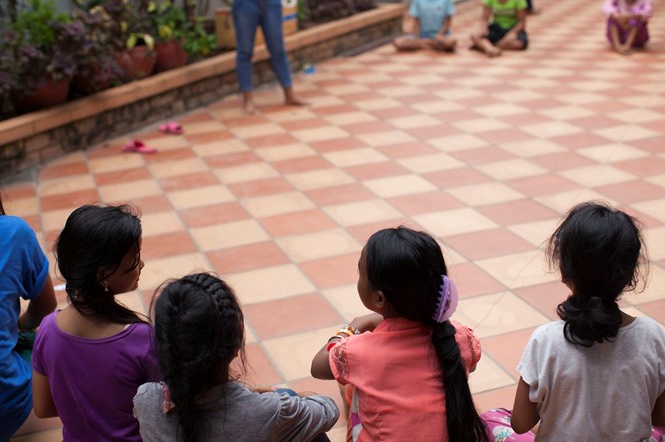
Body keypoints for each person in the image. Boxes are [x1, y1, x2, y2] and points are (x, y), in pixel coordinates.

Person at [311, 226, 488, 441]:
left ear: (379, 299)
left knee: (348, 383)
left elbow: (318, 366)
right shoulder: (457, 335)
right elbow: (472, 364)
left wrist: (350, 329)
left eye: (361, 272)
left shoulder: (359, 350)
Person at [510, 202, 665, 440]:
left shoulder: (546, 340)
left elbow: (520, 423)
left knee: (493, 419)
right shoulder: (654, 336)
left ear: (564, 270)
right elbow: (660, 418)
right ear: (629, 275)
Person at [133, 272, 339, 441]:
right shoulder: (265, 411)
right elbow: (328, 410)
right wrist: (294, 396)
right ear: (234, 345)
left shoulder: (146, 400)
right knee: (311, 430)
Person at [31, 204, 159, 442]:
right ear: (102, 275)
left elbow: (43, 407)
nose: (141, 265)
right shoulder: (143, 339)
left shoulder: (48, 330)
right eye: (135, 257)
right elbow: (165, 409)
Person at [0, 196, 56, 441]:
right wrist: (18, 327)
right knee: (48, 339)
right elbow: (46, 306)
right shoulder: (12, 232)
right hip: (6, 401)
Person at [233, 0, 305, 114]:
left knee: (277, 48)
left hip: (271, 2)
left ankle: (289, 94)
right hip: (245, 3)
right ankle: (247, 100)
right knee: (245, 51)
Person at [393, 0, 457, 52]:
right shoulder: (417, 0)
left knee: (451, 42)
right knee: (397, 42)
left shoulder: (446, 0)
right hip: (422, 35)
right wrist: (416, 37)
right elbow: (416, 21)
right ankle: (432, 45)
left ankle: (424, 45)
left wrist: (440, 34)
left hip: (441, 35)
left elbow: (448, 21)